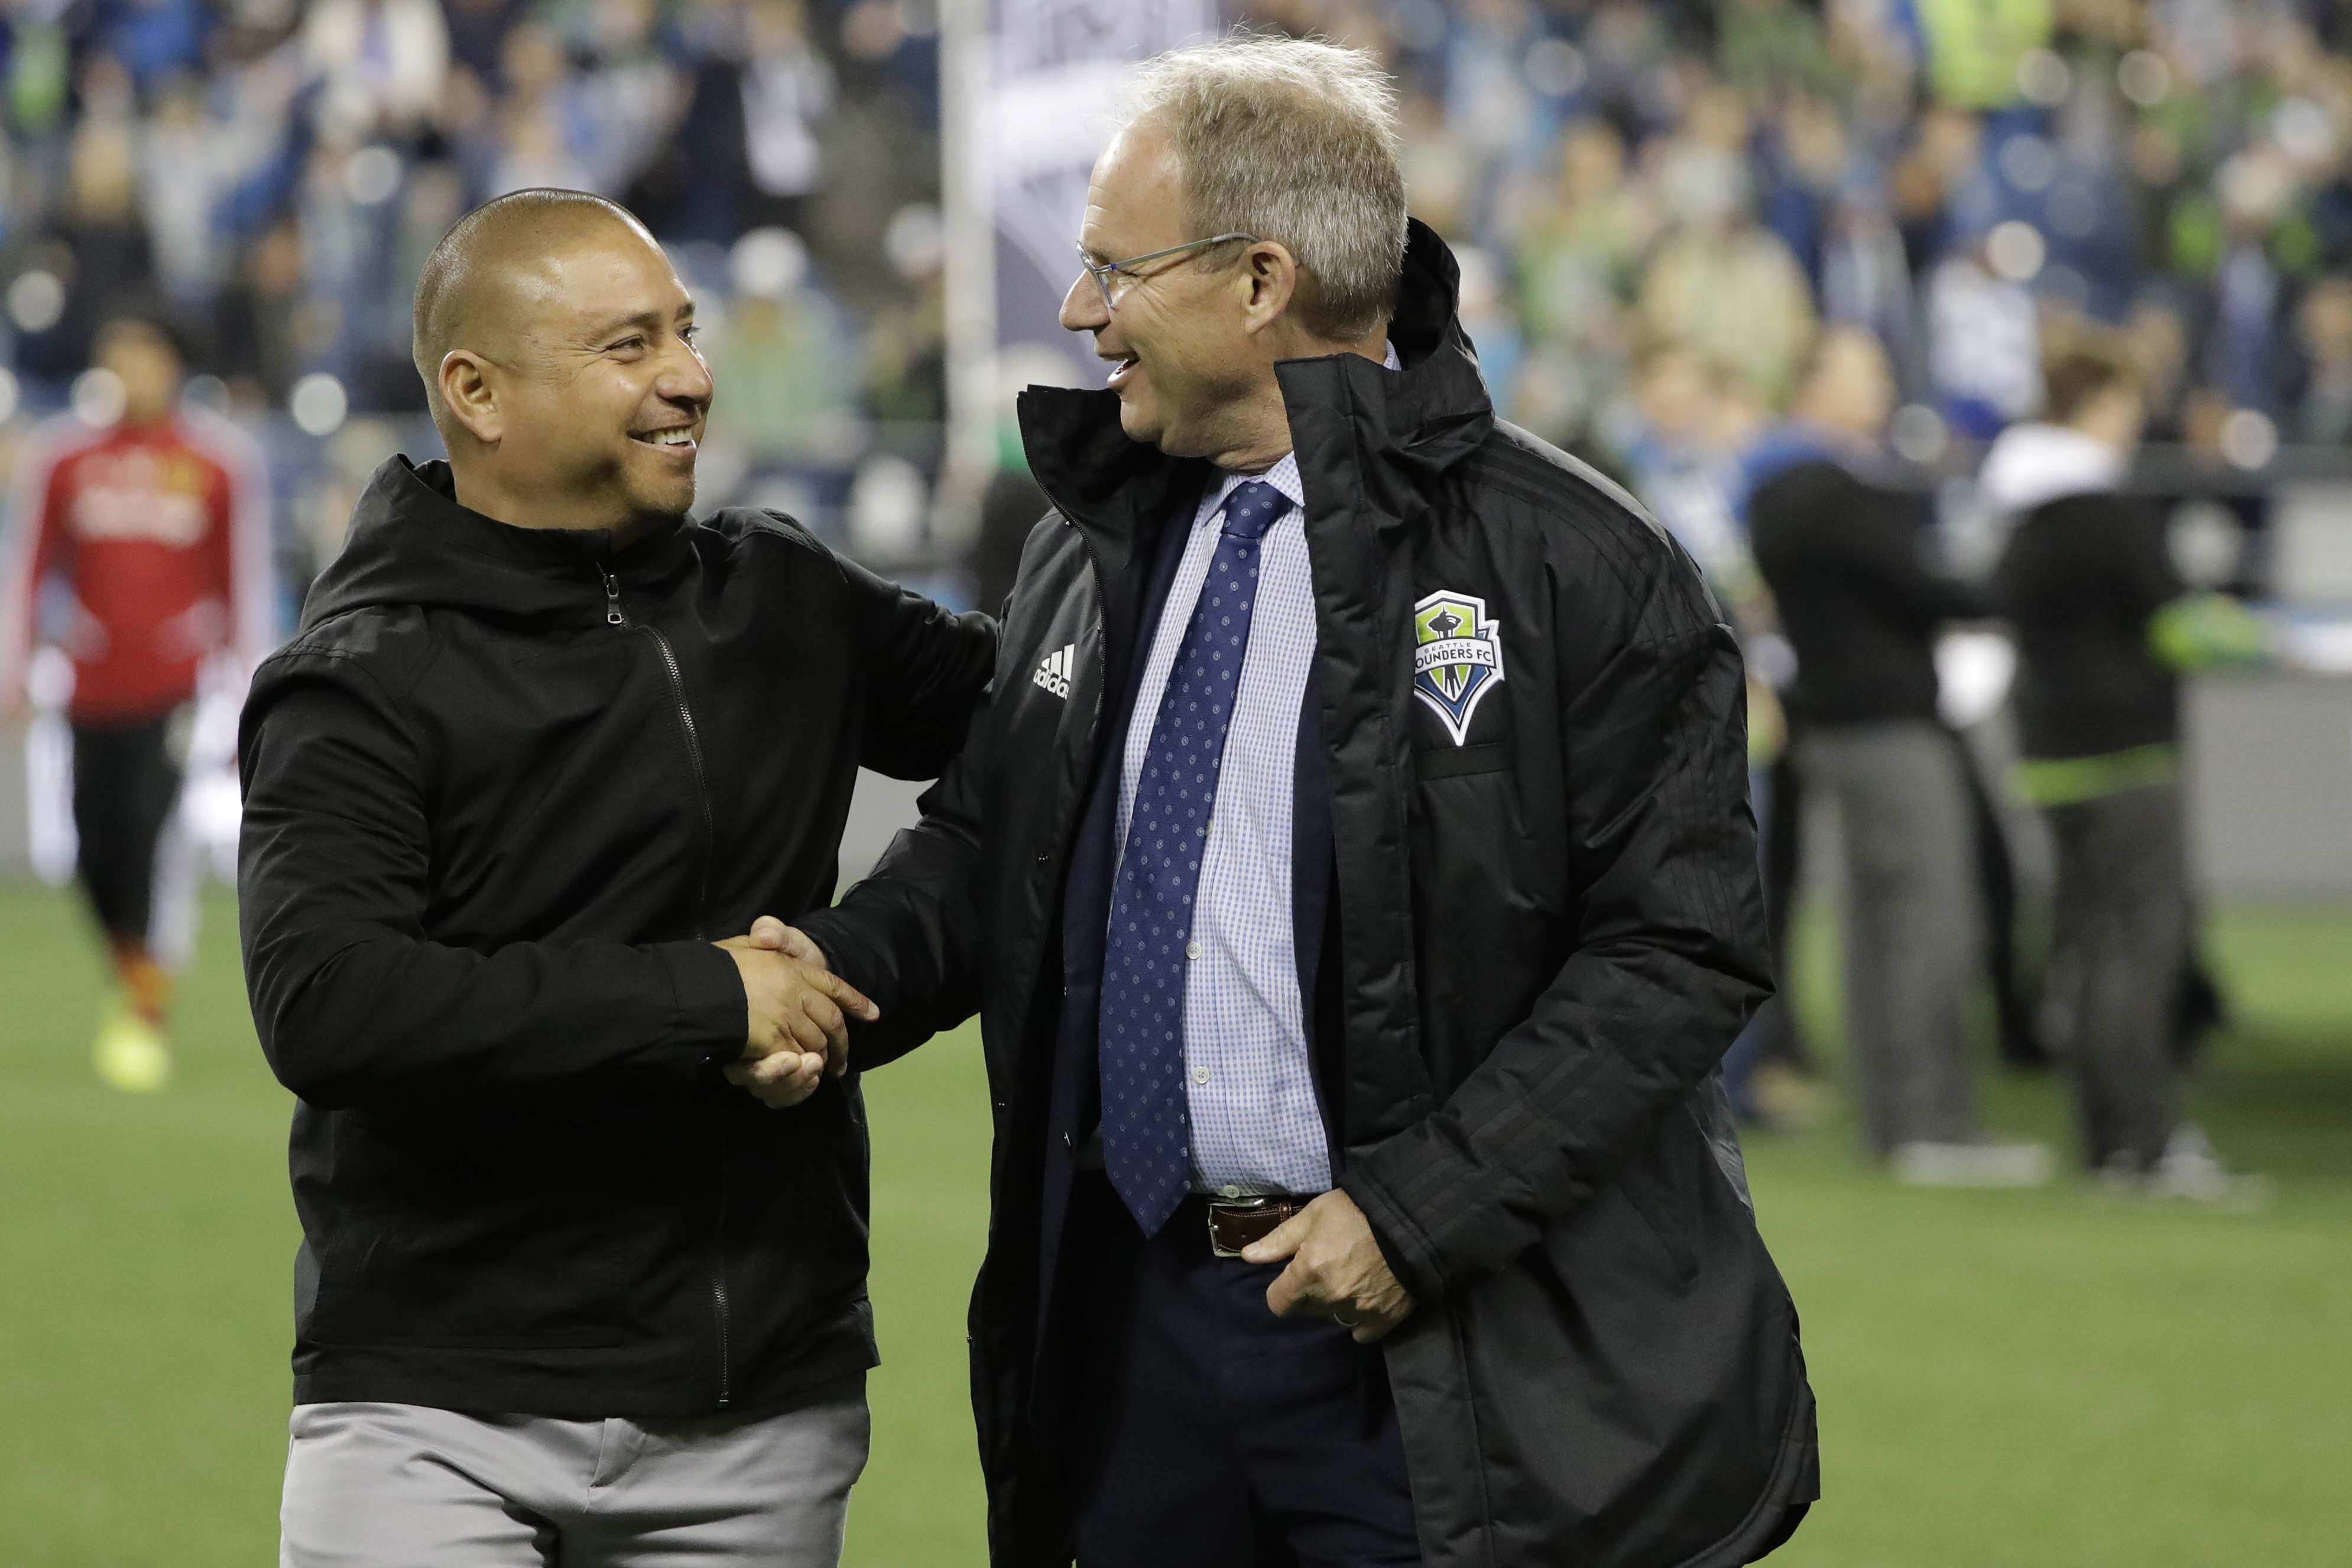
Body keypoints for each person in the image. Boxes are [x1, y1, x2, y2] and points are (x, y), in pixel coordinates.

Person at [789, 37, 1818, 1568]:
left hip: (1433, 1332)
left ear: (1259, 280)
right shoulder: (1093, 540)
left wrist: (1413, 1216)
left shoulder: (1579, 564)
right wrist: (822, 978)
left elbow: (1673, 950)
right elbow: (998, 844)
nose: (1080, 314)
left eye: (1109, 270)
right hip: (1134, 1322)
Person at [236, 189, 994, 1566]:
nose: (691, 377)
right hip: (429, 1410)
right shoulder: (360, 673)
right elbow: (330, 1002)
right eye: (630, 345)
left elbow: (1037, 724)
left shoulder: (786, 597)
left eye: (686, 333)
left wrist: (855, 961)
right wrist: (710, 1000)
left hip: (753, 1405)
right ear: (476, 390)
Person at [1747, 326, 2051, 1186]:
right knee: (1932, 922)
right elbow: (1919, 586)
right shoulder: (1831, 486)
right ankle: (1932, 1123)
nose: (1881, 385)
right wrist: (2008, 592)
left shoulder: (1779, 488)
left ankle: (1898, 1121)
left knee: (1880, 929)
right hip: (1887, 722)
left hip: (1835, 721)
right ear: (1814, 383)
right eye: (1865, 371)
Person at [1984, 334, 2267, 1204]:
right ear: (2100, 401)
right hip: (2127, 753)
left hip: (2050, 755)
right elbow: (2174, 624)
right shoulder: (2109, 513)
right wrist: (2252, 635)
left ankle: (2109, 1143)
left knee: (2093, 951)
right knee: (2141, 952)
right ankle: (2148, 1143)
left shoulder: (2019, 516)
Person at [1, 310, 272, 1092]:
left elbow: (240, 584)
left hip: (176, 685)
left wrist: (249, 687)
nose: (132, 370)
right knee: (92, 847)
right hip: (89, 684)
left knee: (152, 835)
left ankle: (146, 1005)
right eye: (119, 355)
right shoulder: (66, 457)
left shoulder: (216, 463)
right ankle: (135, 970)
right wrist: (15, 667)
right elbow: (29, 568)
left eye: (145, 354)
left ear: (172, 364)